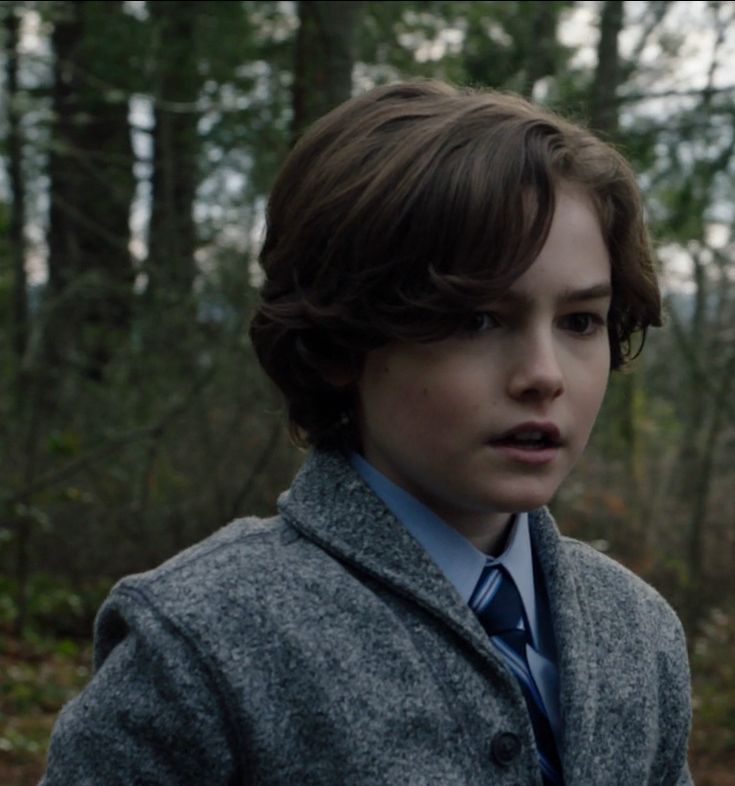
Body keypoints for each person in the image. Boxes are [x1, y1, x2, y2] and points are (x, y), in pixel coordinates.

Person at [41, 80, 693, 785]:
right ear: (342, 339)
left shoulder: (636, 630)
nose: (543, 375)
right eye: (476, 319)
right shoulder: (206, 641)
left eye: (579, 322)